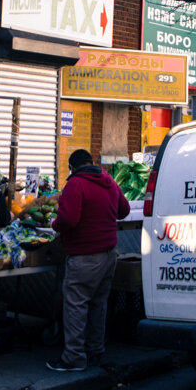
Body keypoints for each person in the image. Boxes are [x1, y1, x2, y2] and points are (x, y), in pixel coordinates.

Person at [47, 149, 130, 372]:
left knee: (76, 305)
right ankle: (95, 352)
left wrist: (54, 225)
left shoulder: (76, 184)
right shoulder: (109, 181)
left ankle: (73, 357)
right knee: (98, 304)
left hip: (84, 255)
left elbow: (68, 219)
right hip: (109, 253)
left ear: (72, 167)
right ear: (91, 162)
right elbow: (124, 210)